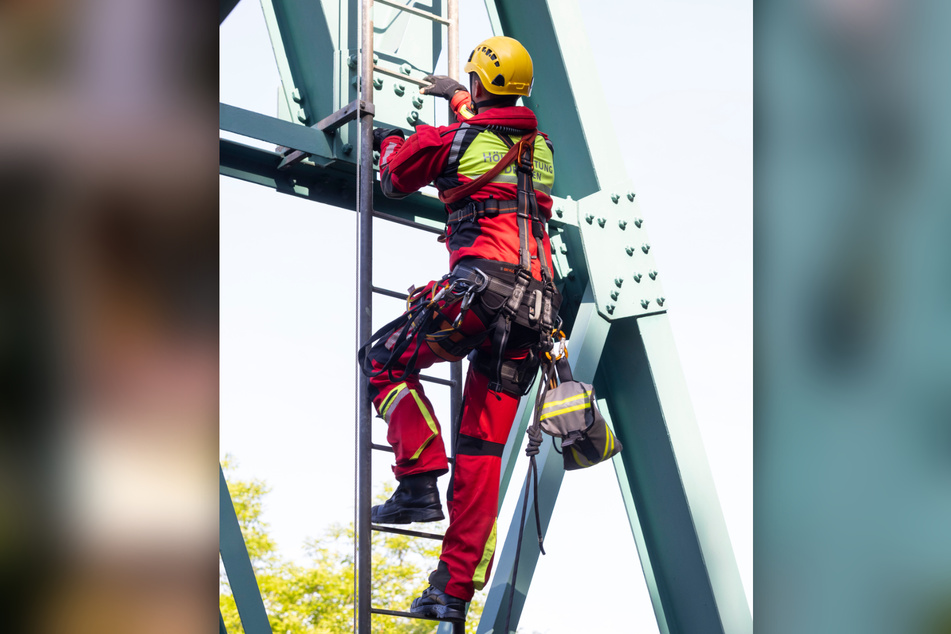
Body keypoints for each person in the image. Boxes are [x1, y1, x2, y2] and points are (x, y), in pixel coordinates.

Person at [360, 35, 560, 624]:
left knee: (382, 362)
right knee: (482, 449)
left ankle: (418, 477)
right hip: (535, 314)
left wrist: (389, 139)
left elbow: (396, 174)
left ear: (478, 85)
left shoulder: (454, 142)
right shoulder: (539, 147)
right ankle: (452, 588)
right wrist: (461, 103)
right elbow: (495, 138)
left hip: (481, 293)